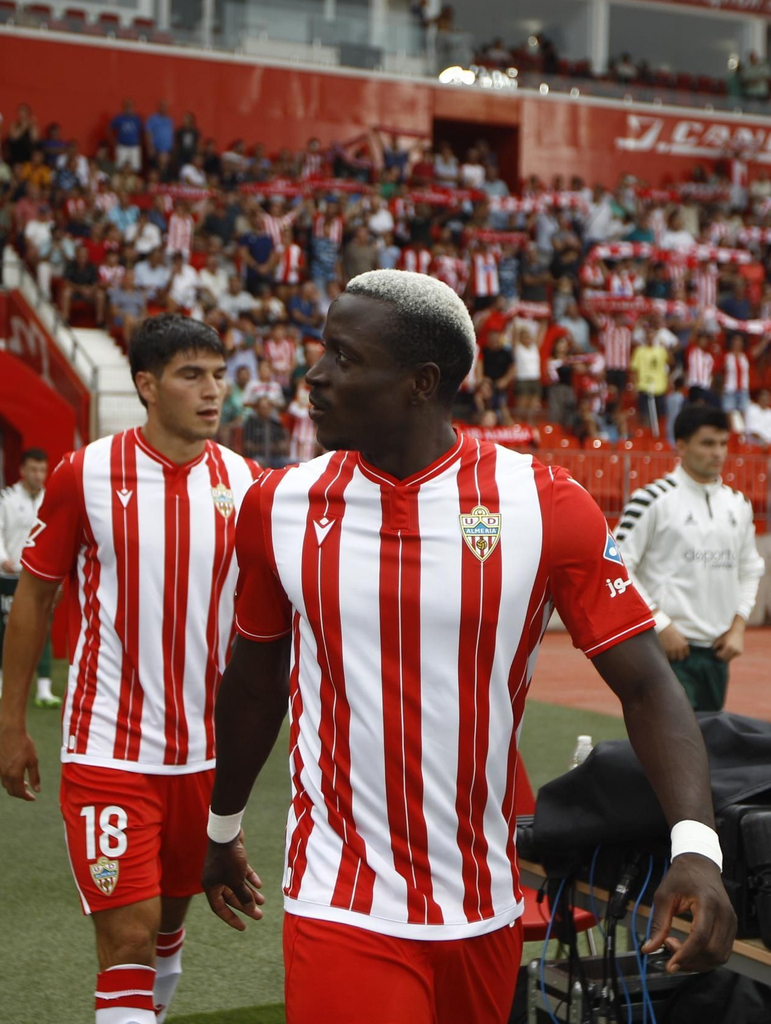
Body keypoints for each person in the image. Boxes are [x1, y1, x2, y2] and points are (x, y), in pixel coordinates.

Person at [200, 270, 735, 1024]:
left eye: (344, 358)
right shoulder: (278, 505)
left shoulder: (544, 506)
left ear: (421, 382)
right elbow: (254, 682)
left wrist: (696, 845)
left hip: (486, 907)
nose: (314, 376)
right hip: (342, 899)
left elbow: (647, 685)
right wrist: (221, 827)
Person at [0, 316, 259, 1024]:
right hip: (108, 745)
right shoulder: (86, 471)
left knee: (169, 930)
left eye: (218, 374)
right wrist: (12, 724)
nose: (212, 391)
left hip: (205, 756)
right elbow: (35, 597)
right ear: (146, 385)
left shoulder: (247, 484)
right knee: (128, 936)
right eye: (190, 375)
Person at [614, 405, 766, 711]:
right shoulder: (652, 499)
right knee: (673, 749)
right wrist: (660, 624)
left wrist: (738, 626)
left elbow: (750, 568)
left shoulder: (738, 504)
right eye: (707, 443)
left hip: (717, 653)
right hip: (667, 650)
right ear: (681, 445)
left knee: (710, 747)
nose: (718, 453)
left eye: (723, 444)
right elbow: (617, 565)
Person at [0, 448, 57, 706]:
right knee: (7, 629)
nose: (39, 475)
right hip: (10, 576)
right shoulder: (5, 498)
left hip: (38, 577)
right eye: (34, 470)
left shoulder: (51, 498)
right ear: (22, 471)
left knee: (42, 629)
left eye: (43, 470)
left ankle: (44, 688)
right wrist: (1, 558)